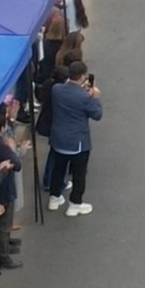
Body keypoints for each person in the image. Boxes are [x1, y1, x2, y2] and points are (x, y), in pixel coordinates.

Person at [45, 62, 101, 218]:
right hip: (78, 142)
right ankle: (75, 203)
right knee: (79, 174)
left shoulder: (56, 90)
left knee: (58, 169)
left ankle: (54, 197)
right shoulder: (85, 97)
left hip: (58, 139)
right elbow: (97, 115)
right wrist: (94, 97)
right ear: (82, 76)